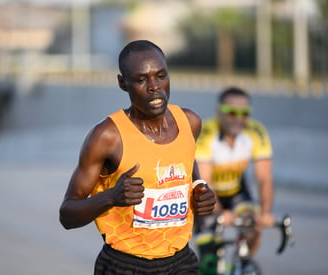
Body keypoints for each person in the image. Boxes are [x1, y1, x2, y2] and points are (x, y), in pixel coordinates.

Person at [59, 40, 216, 274]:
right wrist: (111, 197)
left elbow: (187, 161)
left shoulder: (190, 122)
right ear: (123, 83)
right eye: (141, 80)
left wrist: (199, 189)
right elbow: (67, 215)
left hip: (180, 261)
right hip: (124, 264)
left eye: (161, 76)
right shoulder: (107, 136)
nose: (154, 87)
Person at [193, 86, 275, 274]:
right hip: (207, 196)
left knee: (253, 225)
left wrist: (265, 213)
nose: (238, 118)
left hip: (237, 191)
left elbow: (265, 179)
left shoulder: (256, 132)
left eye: (244, 113)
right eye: (231, 112)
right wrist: (221, 213)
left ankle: (240, 263)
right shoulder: (206, 133)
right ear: (218, 112)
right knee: (209, 261)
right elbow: (205, 182)